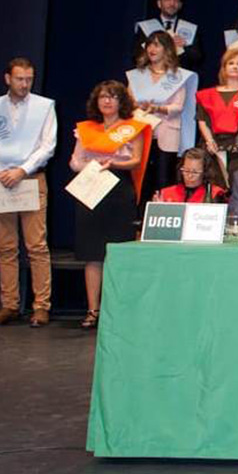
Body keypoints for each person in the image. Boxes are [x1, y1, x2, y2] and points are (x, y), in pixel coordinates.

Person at [70, 81, 151, 330]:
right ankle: (92, 310)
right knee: (92, 254)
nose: (108, 101)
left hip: (118, 189)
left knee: (116, 251)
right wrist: (94, 166)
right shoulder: (87, 129)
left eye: (113, 97)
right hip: (91, 187)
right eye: (103, 97)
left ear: (121, 101)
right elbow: (75, 162)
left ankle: (115, 310)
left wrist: (113, 162)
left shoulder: (132, 128)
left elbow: (136, 160)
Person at [0, 58, 57, 327]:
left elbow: (48, 145)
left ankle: (41, 305)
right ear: (7, 78)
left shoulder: (43, 107)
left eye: (29, 79)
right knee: (6, 247)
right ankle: (9, 303)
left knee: (36, 245)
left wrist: (22, 170)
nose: (24, 84)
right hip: (2, 179)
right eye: (20, 79)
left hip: (31, 177)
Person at [127, 31, 198, 203]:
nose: (152, 48)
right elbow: (128, 101)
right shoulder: (138, 74)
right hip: (141, 133)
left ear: (167, 49)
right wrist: (140, 106)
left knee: (163, 180)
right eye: (150, 44)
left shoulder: (177, 75)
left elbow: (178, 106)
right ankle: (139, 220)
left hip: (166, 134)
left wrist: (157, 108)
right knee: (141, 180)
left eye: (157, 44)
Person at [196, 49, 238, 177]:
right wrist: (209, 141)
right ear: (224, 67)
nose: (234, 67)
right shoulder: (207, 95)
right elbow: (202, 120)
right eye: (231, 63)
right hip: (212, 147)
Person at [133, 0, 202, 72]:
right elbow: (136, 55)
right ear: (159, 3)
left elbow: (198, 58)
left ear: (180, 5)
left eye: (176, 0)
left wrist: (185, 47)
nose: (172, 4)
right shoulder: (146, 26)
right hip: (152, 75)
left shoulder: (189, 28)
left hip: (178, 77)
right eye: (168, 0)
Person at [154, 147, 227, 203]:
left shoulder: (215, 194)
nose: (189, 176)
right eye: (186, 171)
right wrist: (159, 209)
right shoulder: (167, 194)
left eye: (195, 172)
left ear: (205, 173)